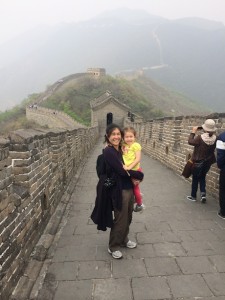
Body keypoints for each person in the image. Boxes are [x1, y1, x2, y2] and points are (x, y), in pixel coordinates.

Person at [91, 123, 144, 259]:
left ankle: (124, 239)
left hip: (129, 187)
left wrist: (134, 178)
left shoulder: (121, 148)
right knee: (120, 218)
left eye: (118, 134)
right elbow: (121, 171)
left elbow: (133, 161)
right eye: (113, 134)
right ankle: (113, 246)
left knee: (128, 215)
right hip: (119, 190)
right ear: (108, 136)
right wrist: (139, 176)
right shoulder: (109, 151)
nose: (116, 137)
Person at [187, 119, 217, 203]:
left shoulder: (200, 138)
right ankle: (203, 194)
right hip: (208, 162)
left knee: (195, 179)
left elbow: (190, 141)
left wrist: (193, 132)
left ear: (205, 128)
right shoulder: (215, 138)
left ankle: (193, 196)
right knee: (203, 177)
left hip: (198, 162)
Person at [122, 126, 145, 212]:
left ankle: (140, 204)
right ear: (123, 138)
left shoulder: (136, 145)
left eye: (131, 136)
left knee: (135, 188)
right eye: (126, 137)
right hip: (128, 170)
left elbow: (138, 159)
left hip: (134, 171)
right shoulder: (124, 145)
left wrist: (129, 168)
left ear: (135, 137)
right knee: (132, 187)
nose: (129, 139)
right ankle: (137, 196)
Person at [216, 130, 225, 219]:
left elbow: (221, 156)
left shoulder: (222, 137)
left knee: (223, 189)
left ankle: (223, 212)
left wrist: (220, 166)